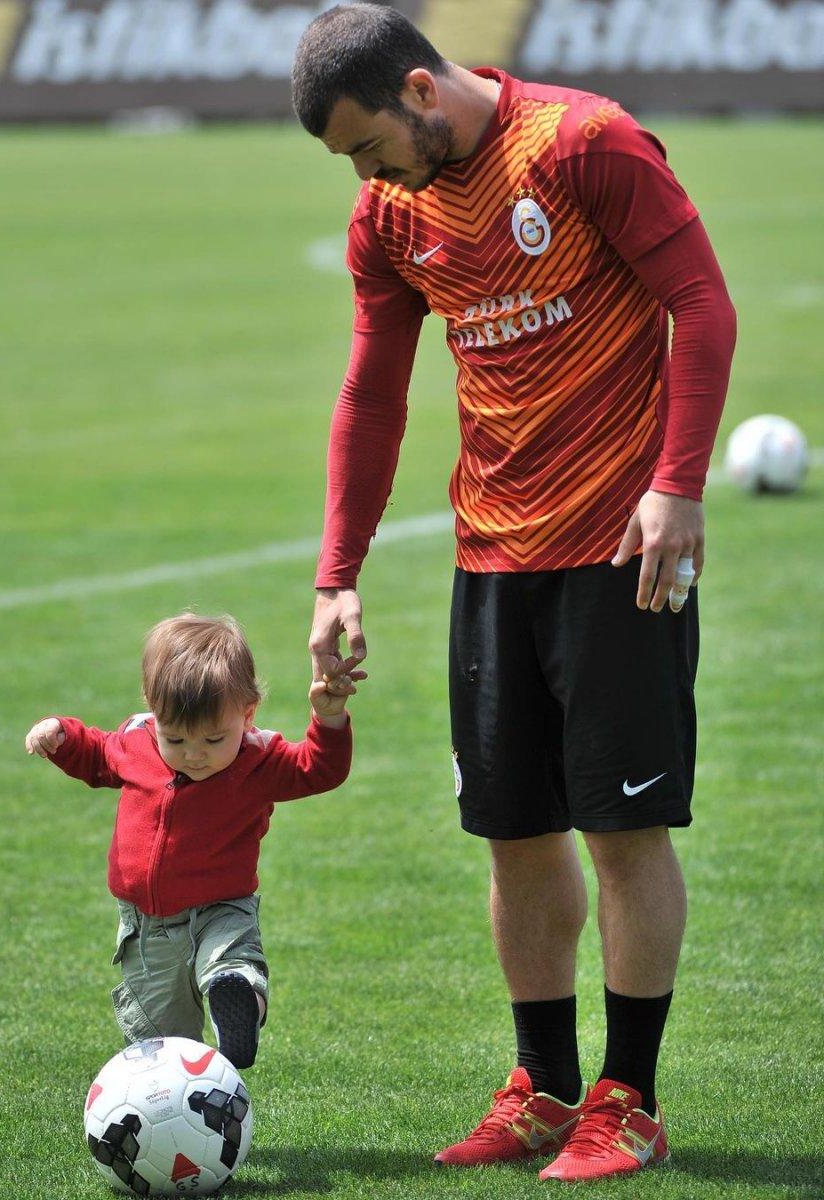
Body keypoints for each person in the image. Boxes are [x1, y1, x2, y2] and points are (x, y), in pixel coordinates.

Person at [292, 4, 735, 1183]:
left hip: (619, 550)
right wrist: (338, 573)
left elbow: (702, 305)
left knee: (622, 828)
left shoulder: (584, 144)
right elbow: (371, 396)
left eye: (366, 144)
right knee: (514, 834)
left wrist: (677, 488)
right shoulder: (390, 213)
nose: (366, 174)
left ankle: (628, 1099)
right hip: (492, 560)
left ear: (422, 93)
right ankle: (542, 1088)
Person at [24, 611, 359, 1068]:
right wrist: (61, 737)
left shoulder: (257, 758)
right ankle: (181, 1119)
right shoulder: (136, 741)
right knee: (162, 1049)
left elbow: (318, 769)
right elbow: (98, 754)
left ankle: (239, 1006)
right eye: (176, 739)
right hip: (146, 928)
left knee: (230, 967)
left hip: (222, 909)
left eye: (213, 739)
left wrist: (329, 719)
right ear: (153, 712)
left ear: (247, 714)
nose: (194, 755)